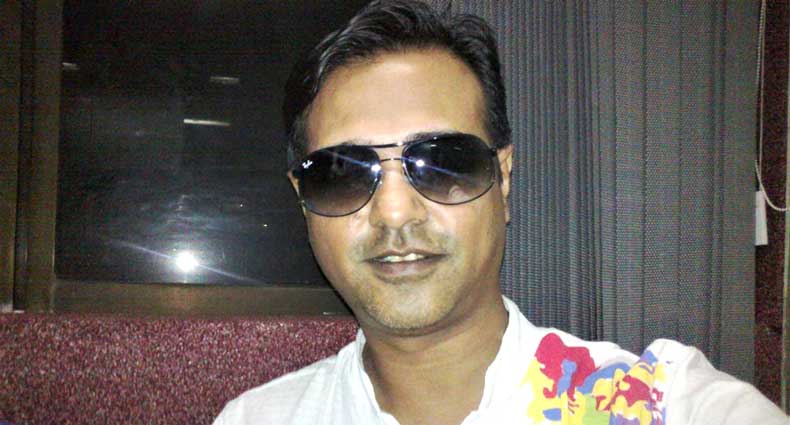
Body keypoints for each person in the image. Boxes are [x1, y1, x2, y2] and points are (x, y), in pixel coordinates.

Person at [213, 1, 789, 424]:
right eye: (342, 174)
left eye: (443, 161)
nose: (394, 213)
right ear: (303, 198)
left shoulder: (656, 404)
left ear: (503, 177)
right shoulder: (257, 419)